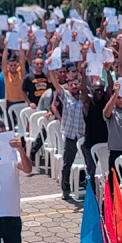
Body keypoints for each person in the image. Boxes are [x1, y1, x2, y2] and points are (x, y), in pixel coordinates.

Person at [47, 66, 85, 200]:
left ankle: (86, 185)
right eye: (72, 84)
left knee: (88, 163)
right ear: (68, 86)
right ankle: (66, 188)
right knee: (67, 164)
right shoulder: (65, 95)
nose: (74, 86)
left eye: (76, 84)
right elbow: (55, 83)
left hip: (83, 136)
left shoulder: (85, 96)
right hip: (70, 135)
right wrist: (51, 68)